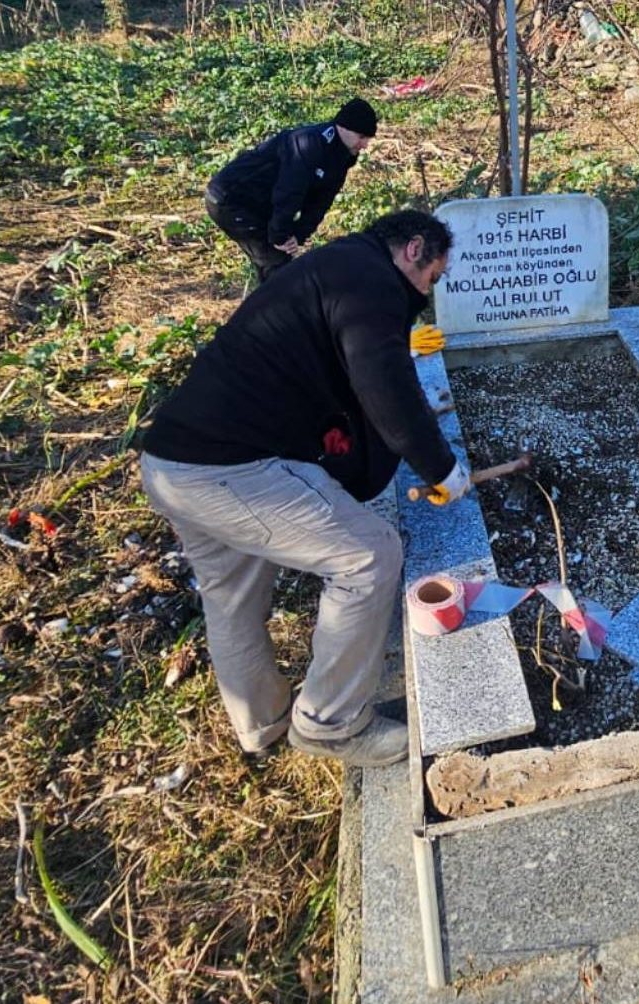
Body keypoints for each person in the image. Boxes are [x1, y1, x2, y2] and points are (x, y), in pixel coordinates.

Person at [139, 209, 470, 768]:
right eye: (432, 279)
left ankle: (261, 726)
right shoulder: (373, 282)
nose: (426, 294)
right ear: (413, 249)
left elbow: (345, 361)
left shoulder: (337, 266)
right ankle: (330, 724)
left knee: (232, 595)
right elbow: (381, 386)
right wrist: (443, 468)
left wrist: (406, 355)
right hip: (231, 469)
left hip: (171, 461)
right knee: (369, 556)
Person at [204, 97, 377, 284]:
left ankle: (269, 308)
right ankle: (270, 311)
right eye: (362, 137)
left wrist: (297, 234)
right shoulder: (308, 144)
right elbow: (289, 192)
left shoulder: (344, 156)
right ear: (343, 127)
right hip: (231, 198)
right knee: (276, 263)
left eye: (368, 139)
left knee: (278, 263)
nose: (365, 145)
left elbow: (321, 202)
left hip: (261, 202)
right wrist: (280, 235)